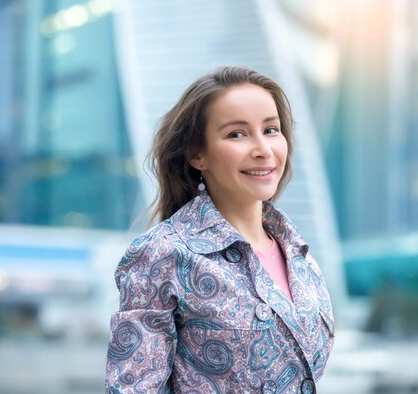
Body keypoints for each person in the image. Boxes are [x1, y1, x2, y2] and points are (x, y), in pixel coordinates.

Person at [105, 66, 334, 394]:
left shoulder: (299, 254)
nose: (263, 149)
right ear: (198, 154)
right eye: (236, 134)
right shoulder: (164, 253)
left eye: (271, 129)